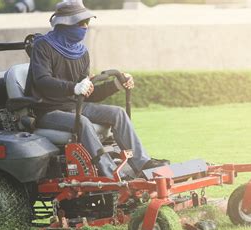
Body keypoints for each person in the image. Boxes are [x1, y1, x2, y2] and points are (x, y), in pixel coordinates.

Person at [26, 0, 168, 179]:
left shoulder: (81, 52)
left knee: (118, 113)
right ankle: (111, 173)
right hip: (48, 110)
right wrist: (74, 87)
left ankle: (142, 163)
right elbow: (42, 81)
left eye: (87, 22)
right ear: (65, 23)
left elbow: (87, 93)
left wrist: (117, 84)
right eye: (80, 23)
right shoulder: (43, 46)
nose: (85, 27)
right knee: (83, 122)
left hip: (75, 106)